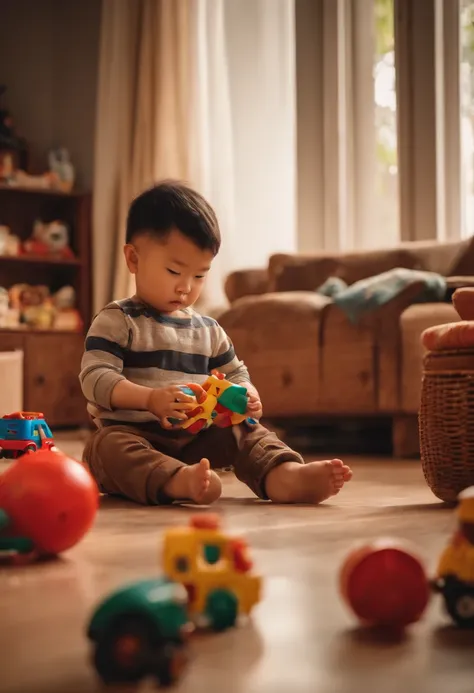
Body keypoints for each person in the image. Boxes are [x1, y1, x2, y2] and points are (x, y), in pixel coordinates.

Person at [80, 181, 352, 505]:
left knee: (245, 429)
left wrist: (247, 395)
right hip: (133, 436)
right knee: (105, 448)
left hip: (196, 440)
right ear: (134, 259)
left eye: (199, 275)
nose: (186, 287)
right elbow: (95, 378)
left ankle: (285, 475)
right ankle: (175, 481)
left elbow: (236, 373)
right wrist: (150, 399)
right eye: (173, 271)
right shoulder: (117, 320)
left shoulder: (208, 330)